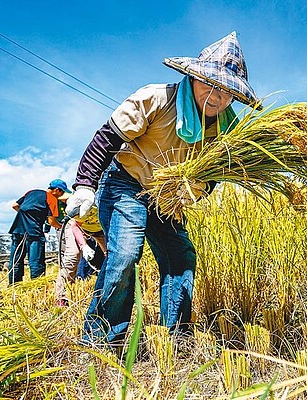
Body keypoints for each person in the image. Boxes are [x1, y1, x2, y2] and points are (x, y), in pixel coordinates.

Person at [65, 31, 261, 348]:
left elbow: (213, 177)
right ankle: (101, 341)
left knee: (180, 256)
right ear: (193, 77)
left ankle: (179, 338)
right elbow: (106, 139)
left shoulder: (227, 131)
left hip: (165, 199)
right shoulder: (155, 99)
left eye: (227, 92)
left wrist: (193, 191)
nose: (217, 96)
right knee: (126, 253)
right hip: (126, 182)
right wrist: (85, 185)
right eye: (210, 84)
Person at [8, 179, 70, 284]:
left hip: (17, 230)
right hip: (34, 233)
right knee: (36, 262)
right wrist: (61, 226)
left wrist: (29, 215)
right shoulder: (52, 199)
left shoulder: (31, 192)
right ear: (56, 190)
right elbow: (51, 222)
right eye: (62, 192)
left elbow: (15, 206)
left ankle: (14, 285)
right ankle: (37, 286)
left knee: (15, 261)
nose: (61, 195)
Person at [55, 205, 106, 306]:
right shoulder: (88, 203)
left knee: (112, 256)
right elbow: (75, 226)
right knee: (73, 255)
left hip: (99, 230)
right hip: (76, 226)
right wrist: (83, 246)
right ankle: (61, 298)